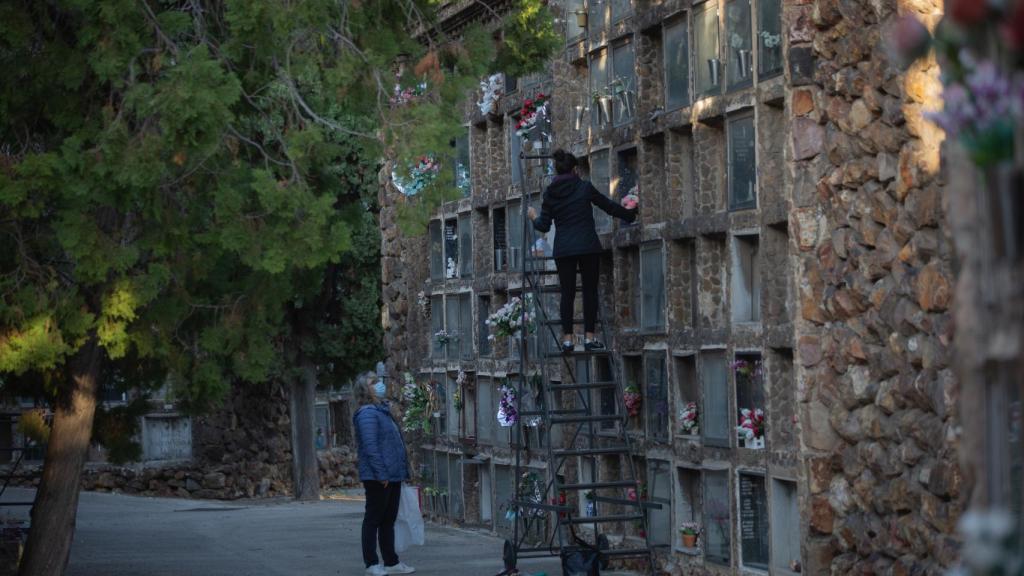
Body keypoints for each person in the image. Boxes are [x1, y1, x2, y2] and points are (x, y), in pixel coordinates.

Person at [528, 149, 637, 353]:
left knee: (567, 294)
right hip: (587, 246)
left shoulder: (550, 194)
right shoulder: (584, 187)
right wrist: (630, 215)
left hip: (564, 250)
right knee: (589, 292)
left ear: (557, 171)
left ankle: (567, 341)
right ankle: (589, 338)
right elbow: (607, 206)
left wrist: (533, 216)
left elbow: (543, 225)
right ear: (575, 169)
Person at [354, 373, 415, 575]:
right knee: (373, 519)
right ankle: (371, 563)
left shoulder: (381, 410)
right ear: (366, 390)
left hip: (392, 475)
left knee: (388, 520)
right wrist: (381, 474)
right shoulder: (367, 414)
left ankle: (391, 561)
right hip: (378, 477)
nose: (379, 384)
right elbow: (370, 446)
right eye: (373, 382)